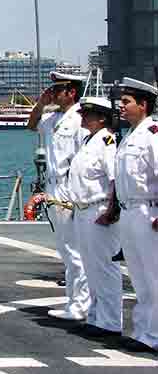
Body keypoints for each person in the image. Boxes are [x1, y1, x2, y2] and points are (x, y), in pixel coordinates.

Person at [25, 71, 90, 320]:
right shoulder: (54, 118)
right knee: (65, 248)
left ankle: (80, 304)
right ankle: (74, 300)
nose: (53, 94)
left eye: (57, 90)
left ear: (71, 92)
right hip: (52, 186)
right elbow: (32, 125)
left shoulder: (79, 119)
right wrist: (41, 103)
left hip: (67, 185)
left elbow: (82, 158)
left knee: (74, 249)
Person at [108, 77, 158, 352]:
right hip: (129, 212)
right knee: (139, 278)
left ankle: (154, 335)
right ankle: (144, 332)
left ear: (143, 104)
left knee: (154, 277)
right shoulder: (130, 136)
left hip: (147, 211)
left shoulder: (152, 134)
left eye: (126, 102)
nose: (121, 107)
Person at [66, 96, 121, 338]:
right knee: (91, 268)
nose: (82, 117)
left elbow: (114, 179)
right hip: (83, 211)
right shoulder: (90, 140)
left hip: (99, 211)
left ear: (101, 118)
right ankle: (97, 316)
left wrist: (111, 210)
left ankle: (110, 322)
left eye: (87, 114)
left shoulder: (106, 142)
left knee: (105, 268)